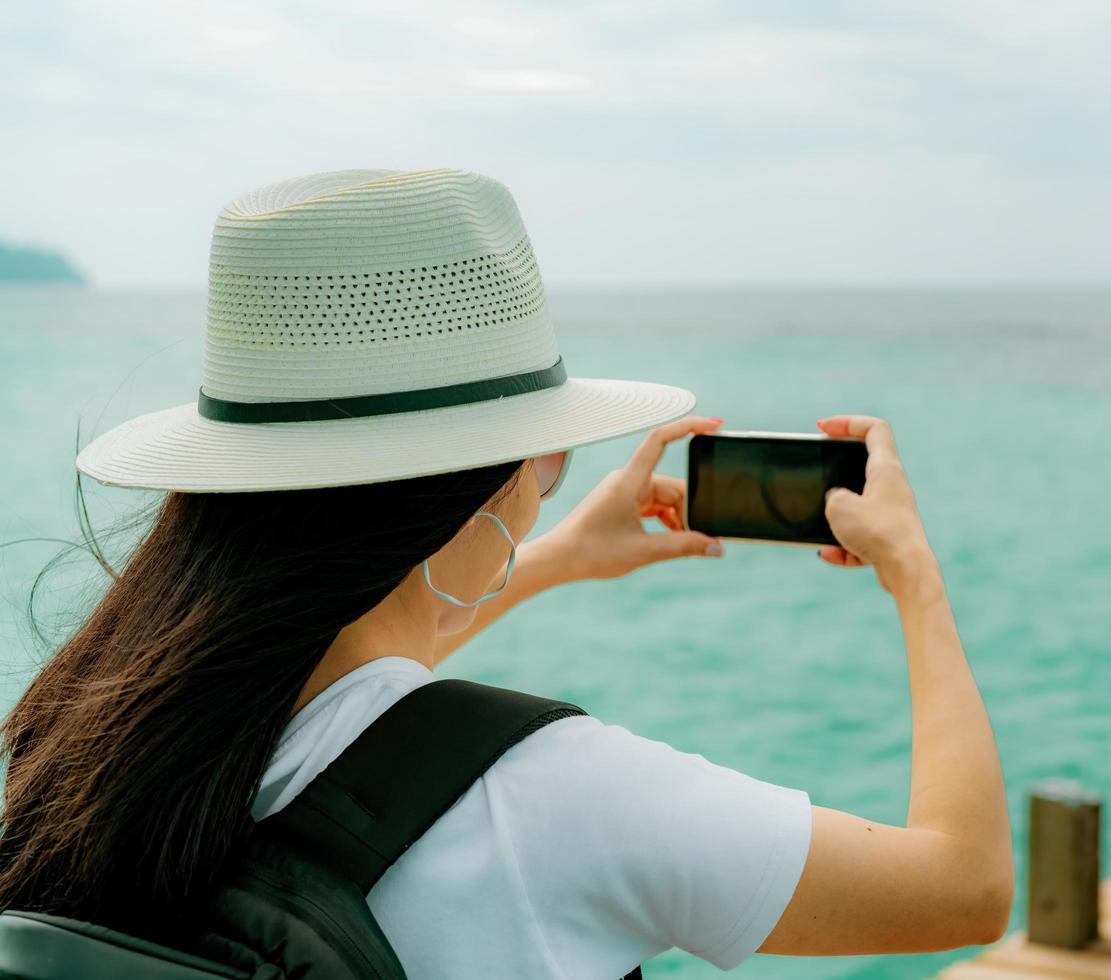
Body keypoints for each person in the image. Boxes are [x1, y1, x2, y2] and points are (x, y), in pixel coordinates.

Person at [0, 169, 1012, 977]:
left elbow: (354, 693)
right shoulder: (556, 795)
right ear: (481, 493)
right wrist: (914, 576)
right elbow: (961, 885)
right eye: (544, 459)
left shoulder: (95, 731)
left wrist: (556, 554)